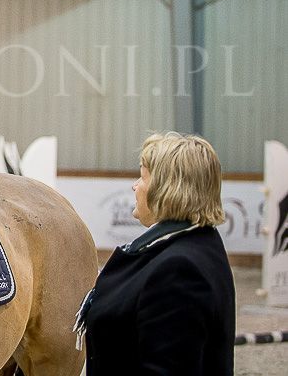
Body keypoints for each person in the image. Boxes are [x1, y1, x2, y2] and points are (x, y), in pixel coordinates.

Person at [78, 132, 236, 375]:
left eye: (142, 177)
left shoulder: (179, 270)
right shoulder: (195, 243)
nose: (135, 186)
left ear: (167, 188)